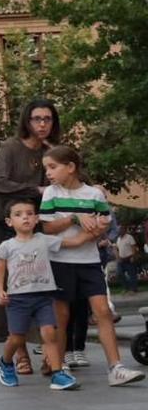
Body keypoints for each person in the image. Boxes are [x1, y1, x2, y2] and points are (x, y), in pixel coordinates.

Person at [39, 146, 143, 386]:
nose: (48, 173)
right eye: (46, 168)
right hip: (60, 262)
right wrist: (75, 218)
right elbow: (46, 227)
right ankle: (59, 368)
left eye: (53, 167)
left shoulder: (94, 195)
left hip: (89, 262)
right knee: (61, 316)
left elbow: (103, 224)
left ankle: (115, 368)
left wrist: (84, 236)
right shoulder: (51, 194)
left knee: (103, 312)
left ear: (71, 167)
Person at [0, 98, 57, 374]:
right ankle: (21, 353)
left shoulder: (51, 151)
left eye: (47, 119)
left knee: (37, 280)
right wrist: (34, 189)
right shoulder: (11, 147)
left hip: (32, 219)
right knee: (13, 283)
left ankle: (50, 352)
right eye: (37, 118)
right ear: (27, 121)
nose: (42, 124)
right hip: (2, 219)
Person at [0, 199, 93, 389]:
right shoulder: (7, 246)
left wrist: (93, 232)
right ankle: (5, 362)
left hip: (44, 296)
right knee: (17, 338)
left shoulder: (43, 240)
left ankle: (58, 374)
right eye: (19, 214)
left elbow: (74, 242)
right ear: (9, 221)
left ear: (37, 218)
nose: (25, 218)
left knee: (50, 333)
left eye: (30, 214)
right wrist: (0, 291)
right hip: (18, 298)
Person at [117, 225, 139, 293]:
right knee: (119, 273)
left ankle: (133, 289)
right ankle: (126, 288)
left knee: (132, 274)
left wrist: (133, 256)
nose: (119, 230)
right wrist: (118, 257)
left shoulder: (129, 237)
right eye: (119, 229)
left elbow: (134, 247)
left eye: (121, 229)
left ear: (124, 230)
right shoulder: (118, 239)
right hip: (121, 259)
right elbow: (118, 249)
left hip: (129, 258)